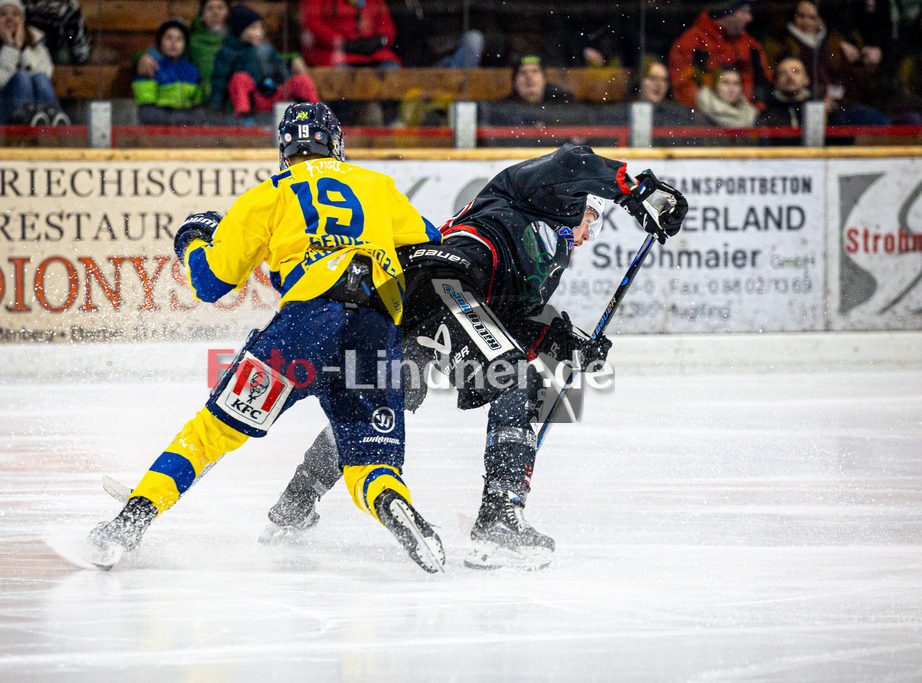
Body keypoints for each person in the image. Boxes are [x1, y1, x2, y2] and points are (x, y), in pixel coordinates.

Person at [262, 144, 689, 570]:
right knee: (517, 378)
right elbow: (574, 159)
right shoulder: (533, 194)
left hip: (411, 299)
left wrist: (567, 345)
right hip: (442, 281)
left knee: (394, 394)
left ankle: (297, 501)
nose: (584, 234)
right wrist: (637, 191)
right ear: (579, 202)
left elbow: (513, 318)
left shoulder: (548, 261)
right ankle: (499, 515)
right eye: (590, 220)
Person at [79, 103, 447, 574]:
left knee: (212, 432)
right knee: (368, 462)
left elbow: (210, 284)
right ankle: (393, 504)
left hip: (304, 328)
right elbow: (429, 251)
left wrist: (192, 242)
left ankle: (131, 520)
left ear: (284, 150)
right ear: (336, 144)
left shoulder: (266, 196)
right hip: (374, 328)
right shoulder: (378, 187)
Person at [0, 0, 71, 125]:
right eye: (3, 14)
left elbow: (46, 72)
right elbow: (1, 80)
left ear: (22, 20)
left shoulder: (36, 40)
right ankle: (30, 117)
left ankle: (52, 117)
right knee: (22, 77)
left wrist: (23, 49)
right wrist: (11, 47)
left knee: (40, 77)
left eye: (15, 14)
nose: (10, 19)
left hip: (37, 107)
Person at [208, 4, 319, 115]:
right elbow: (219, 82)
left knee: (301, 79)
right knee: (239, 78)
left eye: (260, 28)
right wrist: (216, 107)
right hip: (253, 101)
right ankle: (243, 117)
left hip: (274, 95)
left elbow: (281, 69)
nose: (258, 32)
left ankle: (317, 115)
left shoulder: (268, 49)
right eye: (253, 28)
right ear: (239, 30)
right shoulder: (228, 52)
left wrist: (284, 81)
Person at [668, 0, 772, 108]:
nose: (749, 18)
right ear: (727, 14)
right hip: (702, 116)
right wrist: (707, 109)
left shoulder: (751, 46)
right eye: (743, 12)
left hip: (744, 117)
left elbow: (762, 83)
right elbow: (681, 85)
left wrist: (755, 110)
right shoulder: (691, 43)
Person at [132, 19, 204, 125]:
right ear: (160, 41)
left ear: (185, 44)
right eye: (168, 38)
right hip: (159, 129)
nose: (173, 43)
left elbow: (197, 106)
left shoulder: (192, 71)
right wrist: (175, 119)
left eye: (179, 39)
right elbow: (147, 111)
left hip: (186, 129)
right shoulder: (151, 67)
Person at [299, 0, 401, 68]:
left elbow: (387, 26)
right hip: (336, 56)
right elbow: (311, 23)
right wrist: (339, 42)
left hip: (375, 55)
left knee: (392, 72)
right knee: (341, 84)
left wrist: (378, 40)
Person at [22, 0, 91, 65]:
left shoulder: (68, 4)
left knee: (62, 56)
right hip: (31, 45)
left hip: (57, 47)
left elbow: (75, 32)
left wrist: (81, 57)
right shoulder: (26, 4)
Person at [756, 55, 814, 127]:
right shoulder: (766, 114)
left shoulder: (818, 110)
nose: (790, 76)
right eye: (783, 73)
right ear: (776, 81)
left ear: (806, 79)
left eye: (796, 71)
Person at [500, 55, 574, 105]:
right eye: (523, 72)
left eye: (535, 71)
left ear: (544, 80)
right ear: (514, 82)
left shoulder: (563, 102)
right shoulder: (502, 108)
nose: (529, 76)